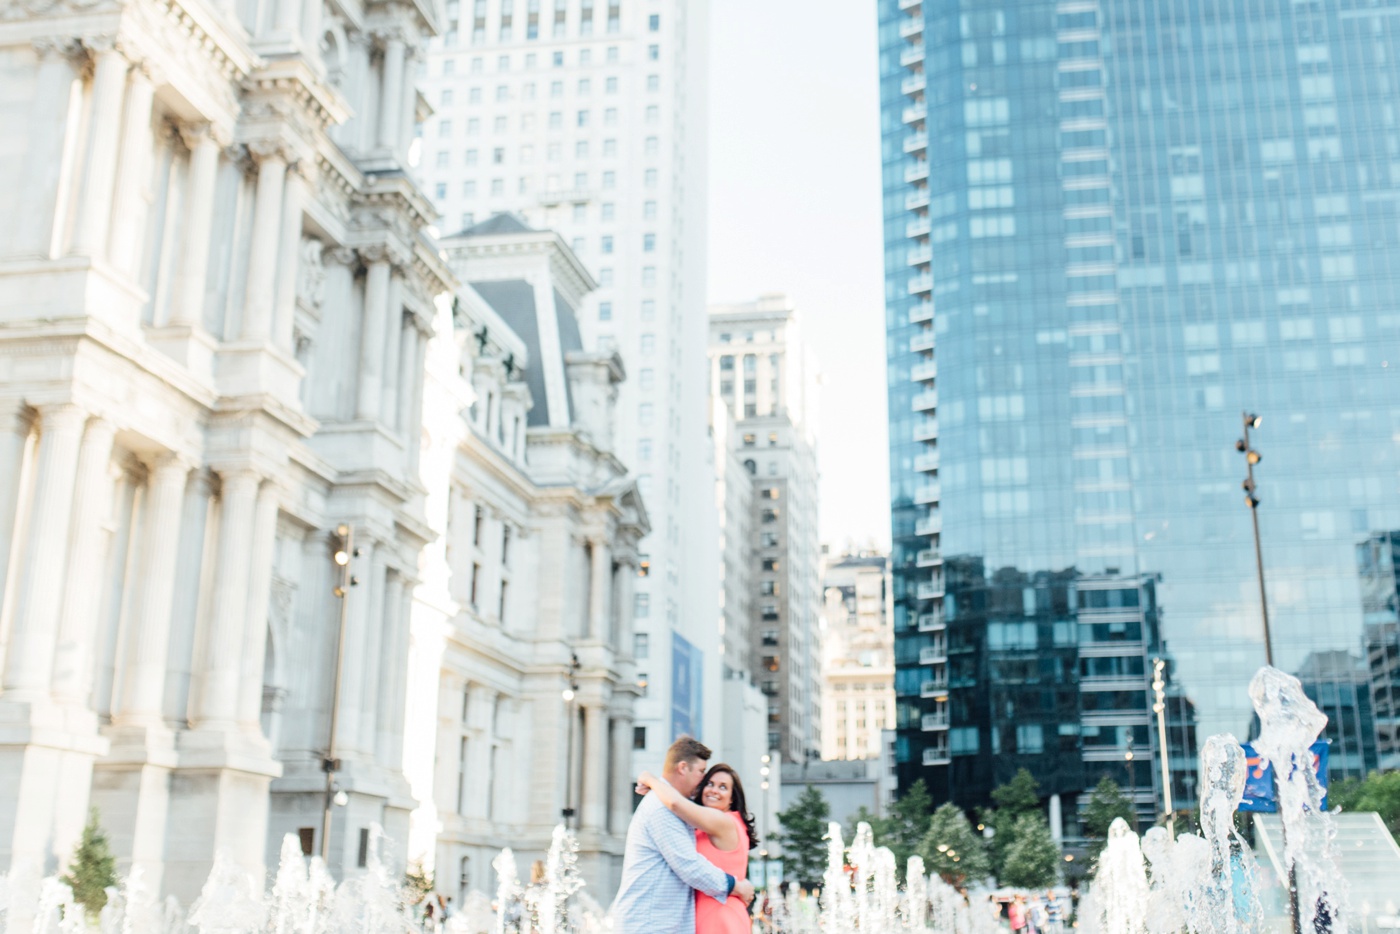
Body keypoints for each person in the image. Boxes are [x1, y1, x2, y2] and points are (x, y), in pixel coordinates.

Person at [610, 737, 755, 934]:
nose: (704, 783)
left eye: (722, 787)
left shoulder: (688, 811)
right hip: (649, 923)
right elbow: (690, 865)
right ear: (683, 768)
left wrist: (650, 779)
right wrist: (735, 886)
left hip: (692, 918)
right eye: (702, 773)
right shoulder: (661, 808)